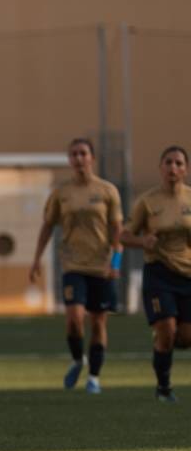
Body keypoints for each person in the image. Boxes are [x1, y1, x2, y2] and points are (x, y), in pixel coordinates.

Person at [28, 138, 122, 394]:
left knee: (99, 322)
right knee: (73, 319)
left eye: (83, 153)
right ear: (69, 160)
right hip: (72, 265)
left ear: (92, 157)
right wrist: (36, 258)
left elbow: (117, 230)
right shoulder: (61, 193)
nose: (79, 159)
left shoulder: (107, 191)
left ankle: (94, 377)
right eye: (74, 154)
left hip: (101, 266)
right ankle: (77, 359)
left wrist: (116, 262)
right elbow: (47, 226)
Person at [121, 145, 191, 403]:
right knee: (166, 329)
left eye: (178, 163)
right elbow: (123, 235)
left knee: (184, 338)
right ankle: (163, 387)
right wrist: (142, 242)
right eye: (168, 163)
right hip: (159, 274)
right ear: (161, 168)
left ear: (185, 169)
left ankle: (163, 343)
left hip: (187, 274)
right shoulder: (147, 202)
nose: (173, 168)